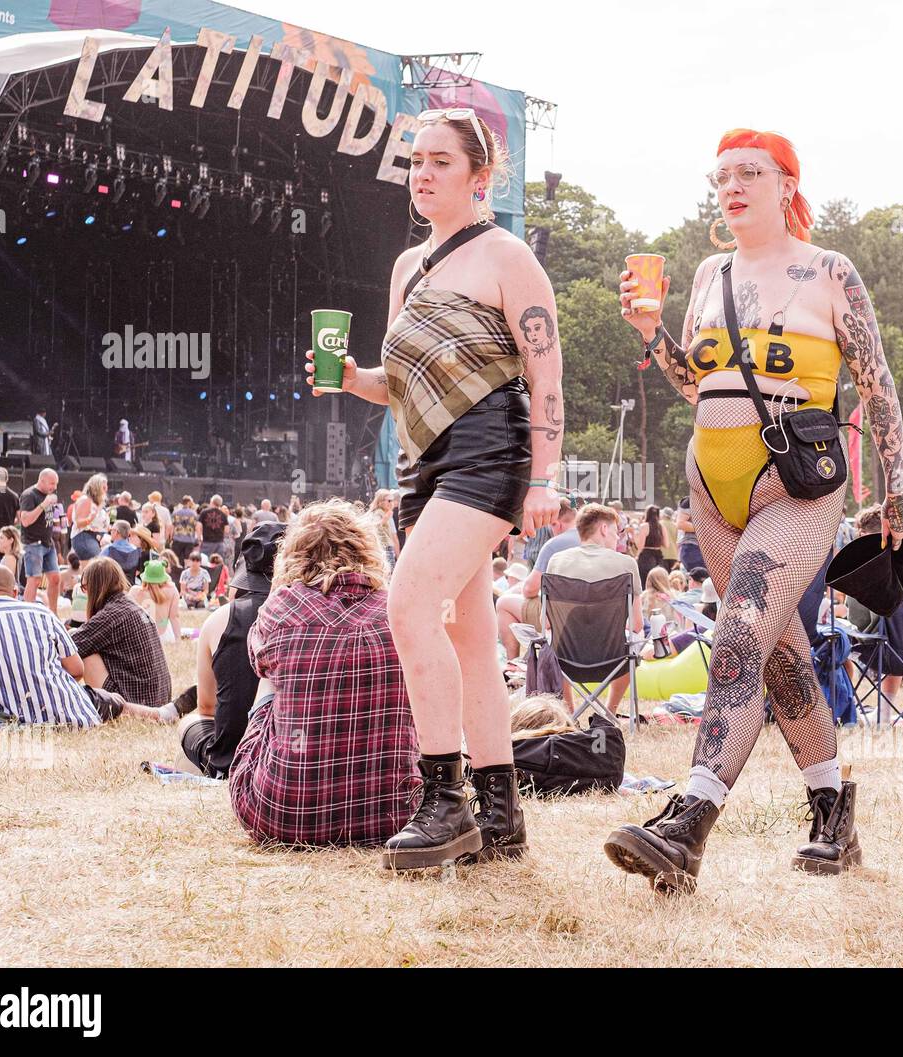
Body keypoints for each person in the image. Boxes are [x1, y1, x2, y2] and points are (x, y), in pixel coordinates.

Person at [604, 128, 903, 893]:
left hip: (795, 482)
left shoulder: (830, 271)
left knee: (739, 632)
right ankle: (833, 811)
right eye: (721, 177)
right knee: (776, 652)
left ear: (787, 185)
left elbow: (877, 384)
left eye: (750, 172)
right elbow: (695, 384)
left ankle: (688, 821)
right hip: (711, 482)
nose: (732, 187)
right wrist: (651, 334)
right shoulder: (709, 273)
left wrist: (898, 489)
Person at [304, 108, 563, 871]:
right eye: (417, 160)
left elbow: (546, 370)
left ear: (480, 177)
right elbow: (399, 383)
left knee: (409, 604)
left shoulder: (507, 255)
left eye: (441, 161)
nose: (423, 173)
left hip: (489, 452)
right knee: (469, 636)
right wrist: (352, 378)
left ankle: (444, 801)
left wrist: (544, 477)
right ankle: (500, 815)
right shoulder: (406, 268)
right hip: (423, 464)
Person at [228, 502, 418, 845]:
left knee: (271, 676)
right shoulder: (400, 610)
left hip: (280, 814)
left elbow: (258, 663)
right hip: (394, 814)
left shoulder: (281, 608)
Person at [0, 565, 168, 725]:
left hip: (136, 696)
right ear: (15, 592)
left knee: (87, 656)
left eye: (84, 588)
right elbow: (75, 667)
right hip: (149, 696)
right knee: (91, 681)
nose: (83, 593)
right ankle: (163, 713)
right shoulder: (42, 613)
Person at [179, 522, 286, 779]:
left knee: (188, 722)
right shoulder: (309, 618)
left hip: (230, 761)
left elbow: (206, 707)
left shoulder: (220, 619)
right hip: (291, 760)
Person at [542, 504, 645, 720]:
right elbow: (636, 624)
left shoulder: (556, 561)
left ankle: (569, 714)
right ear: (604, 529)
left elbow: (546, 622)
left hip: (566, 659)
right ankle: (609, 712)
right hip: (614, 658)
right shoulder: (627, 564)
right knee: (637, 640)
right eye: (616, 532)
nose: (618, 538)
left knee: (554, 639)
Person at [70, 557, 173, 708]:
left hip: (135, 702)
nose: (85, 593)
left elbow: (69, 647)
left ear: (96, 586)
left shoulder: (111, 615)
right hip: (157, 699)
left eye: (85, 587)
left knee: (83, 653)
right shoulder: (127, 606)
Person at [496, 504, 578, 656]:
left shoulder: (555, 545)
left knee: (503, 603)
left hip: (561, 619)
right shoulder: (597, 542)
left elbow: (529, 590)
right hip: (595, 619)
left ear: (556, 524)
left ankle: (512, 662)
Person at [18, 468, 62, 613]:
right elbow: (25, 521)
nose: (54, 487)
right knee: (34, 580)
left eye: (56, 484)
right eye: (52, 483)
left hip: (48, 543)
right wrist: (43, 505)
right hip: (33, 544)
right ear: (42, 480)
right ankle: (28, 614)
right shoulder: (29, 495)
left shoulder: (48, 495)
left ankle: (53, 613)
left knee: (55, 578)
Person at [129, 559, 182, 643]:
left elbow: (128, 616)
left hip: (141, 638)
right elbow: (174, 617)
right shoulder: (172, 590)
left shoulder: (135, 591)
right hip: (164, 637)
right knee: (165, 622)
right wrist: (178, 639)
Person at [70, 473, 110, 561]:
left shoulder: (99, 503)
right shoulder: (85, 500)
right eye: (103, 487)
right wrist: (92, 516)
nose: (106, 489)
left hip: (98, 538)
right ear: (96, 488)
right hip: (85, 536)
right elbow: (79, 523)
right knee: (98, 563)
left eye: (106, 486)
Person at [637, 504, 666, 585]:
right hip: (659, 556)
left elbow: (640, 546)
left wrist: (637, 556)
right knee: (658, 583)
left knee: (645, 582)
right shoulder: (661, 527)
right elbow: (666, 544)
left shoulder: (644, 526)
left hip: (646, 556)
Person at [199, 495, 228, 563]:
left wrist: (199, 538)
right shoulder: (223, 515)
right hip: (219, 542)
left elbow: (198, 526)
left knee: (205, 562)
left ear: (211, 502)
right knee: (218, 563)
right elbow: (227, 530)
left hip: (207, 542)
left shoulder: (204, 512)